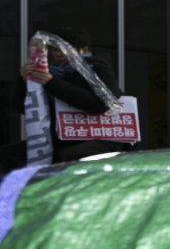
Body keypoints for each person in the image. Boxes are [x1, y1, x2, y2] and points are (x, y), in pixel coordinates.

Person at [0, 27, 124, 172]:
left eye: (64, 49)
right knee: (5, 155)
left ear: (83, 50)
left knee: (79, 157)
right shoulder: (51, 72)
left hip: (96, 137)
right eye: (54, 50)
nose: (58, 54)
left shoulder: (97, 68)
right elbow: (22, 107)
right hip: (58, 140)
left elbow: (102, 103)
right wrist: (24, 80)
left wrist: (52, 83)